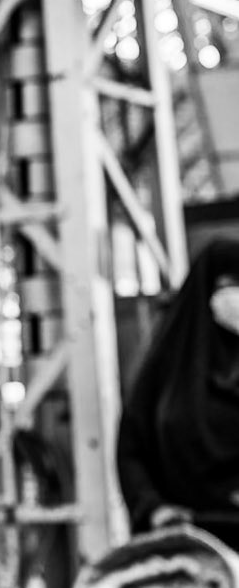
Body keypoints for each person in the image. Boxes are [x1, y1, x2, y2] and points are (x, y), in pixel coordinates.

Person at [117, 236, 239, 553]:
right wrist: (153, 508)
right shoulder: (167, 367)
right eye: (230, 283)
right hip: (185, 544)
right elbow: (132, 447)